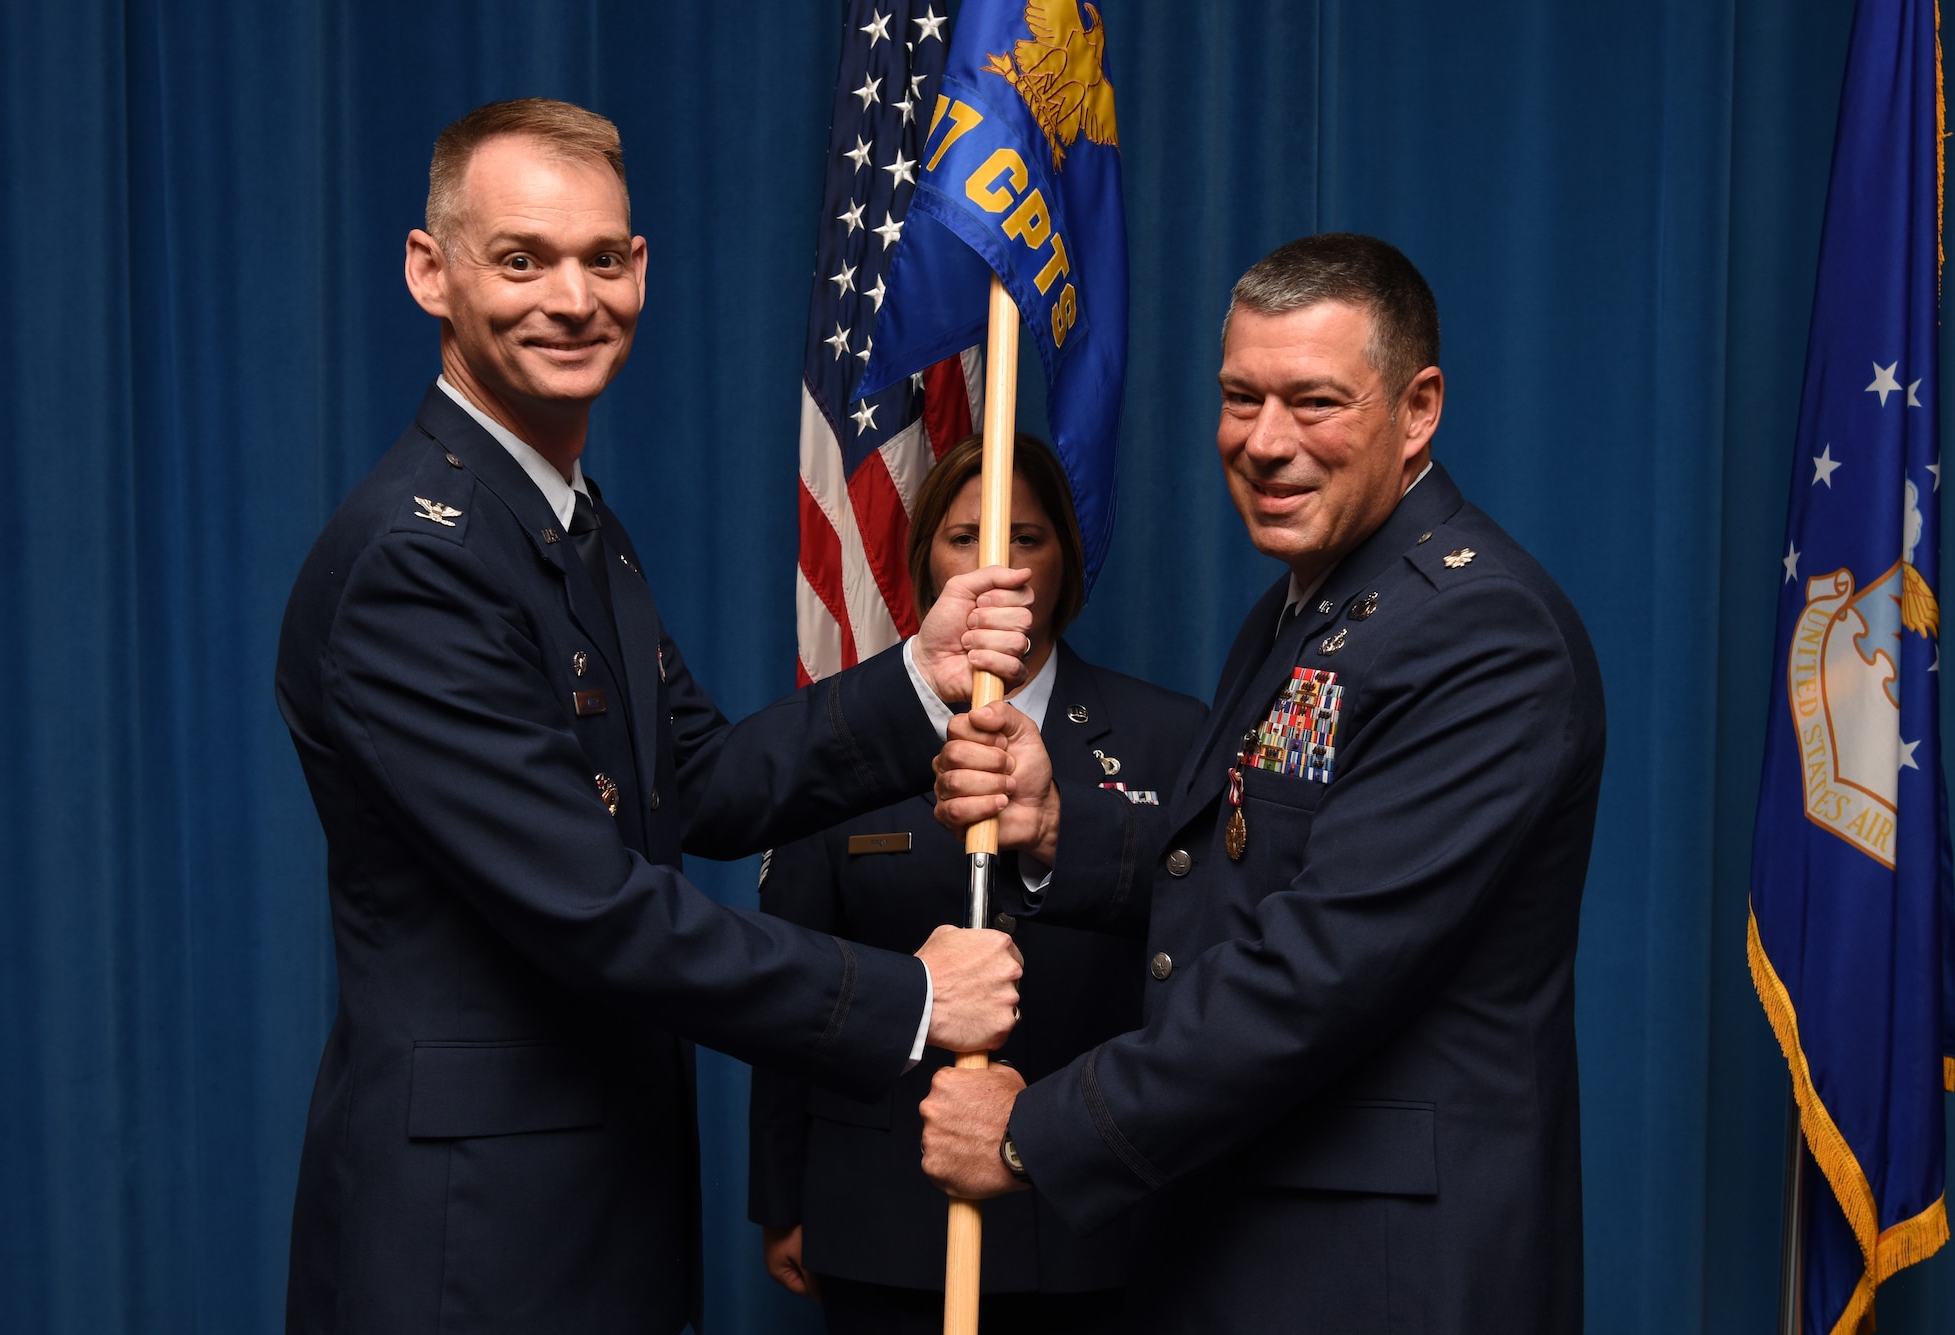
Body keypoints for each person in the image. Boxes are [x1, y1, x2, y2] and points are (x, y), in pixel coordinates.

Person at [274, 98, 1031, 1335]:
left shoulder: (566, 523)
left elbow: (703, 782)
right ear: (431, 272)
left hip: (590, 1198)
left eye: (600, 260)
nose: (571, 300)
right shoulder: (418, 562)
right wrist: (908, 1001)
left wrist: (916, 674)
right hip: (471, 1240)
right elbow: (593, 909)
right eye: (520, 259)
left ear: (639, 271)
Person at [922, 234, 1606, 1333]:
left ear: (1417, 410)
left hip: (1382, 1271)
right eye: (1240, 398)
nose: (1265, 443)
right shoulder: (1315, 602)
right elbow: (1247, 861)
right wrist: (1057, 829)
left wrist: (1030, 1134)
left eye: (1314, 402)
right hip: (1254, 1232)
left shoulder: (1480, 632)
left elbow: (1316, 969)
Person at [748, 435, 1206, 1334]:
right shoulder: (850, 741)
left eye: (1025, 536)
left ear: (1065, 558)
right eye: (964, 539)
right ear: (926, 562)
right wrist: (781, 1192)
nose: (996, 563)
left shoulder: (1168, 733)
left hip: (1094, 1217)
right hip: (885, 1218)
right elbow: (791, 986)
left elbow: (1204, 953)